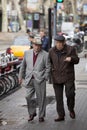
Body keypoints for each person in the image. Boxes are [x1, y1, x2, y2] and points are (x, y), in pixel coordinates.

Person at [19, 37, 51, 122]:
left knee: (41, 98)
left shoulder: (45, 54)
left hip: (40, 79)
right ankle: (32, 113)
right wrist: (20, 77)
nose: (37, 47)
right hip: (29, 79)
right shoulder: (27, 53)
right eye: (36, 45)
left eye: (39, 45)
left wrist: (45, 77)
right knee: (28, 96)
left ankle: (41, 115)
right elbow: (23, 66)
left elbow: (48, 67)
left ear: (41, 46)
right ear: (33, 45)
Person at [49, 35, 79, 122]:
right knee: (58, 98)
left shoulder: (71, 49)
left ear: (64, 43)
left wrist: (71, 58)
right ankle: (61, 115)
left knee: (70, 94)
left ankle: (71, 109)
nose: (58, 45)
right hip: (56, 77)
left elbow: (77, 60)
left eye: (60, 43)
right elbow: (49, 63)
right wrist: (51, 72)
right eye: (57, 43)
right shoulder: (51, 51)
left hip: (68, 76)